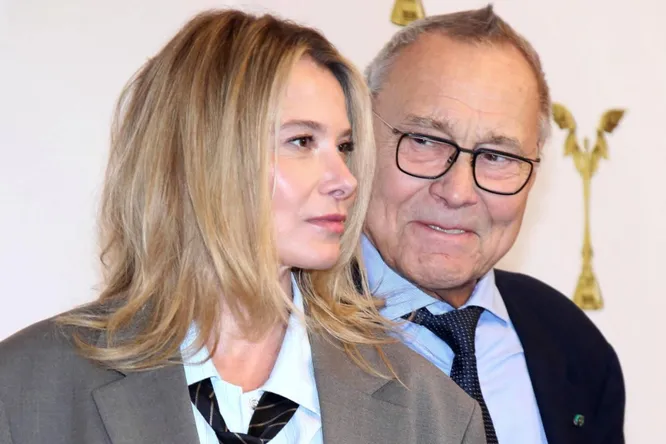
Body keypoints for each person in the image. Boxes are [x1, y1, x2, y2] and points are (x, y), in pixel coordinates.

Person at [0, 9, 486, 444]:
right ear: (202, 155)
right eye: (302, 141)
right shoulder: (25, 390)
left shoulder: (433, 414)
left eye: (343, 147)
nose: (346, 180)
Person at [362, 4, 625, 444]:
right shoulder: (279, 341)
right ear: (358, 137)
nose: (458, 190)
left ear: (534, 173)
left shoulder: (573, 345)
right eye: (425, 140)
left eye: (497, 156)